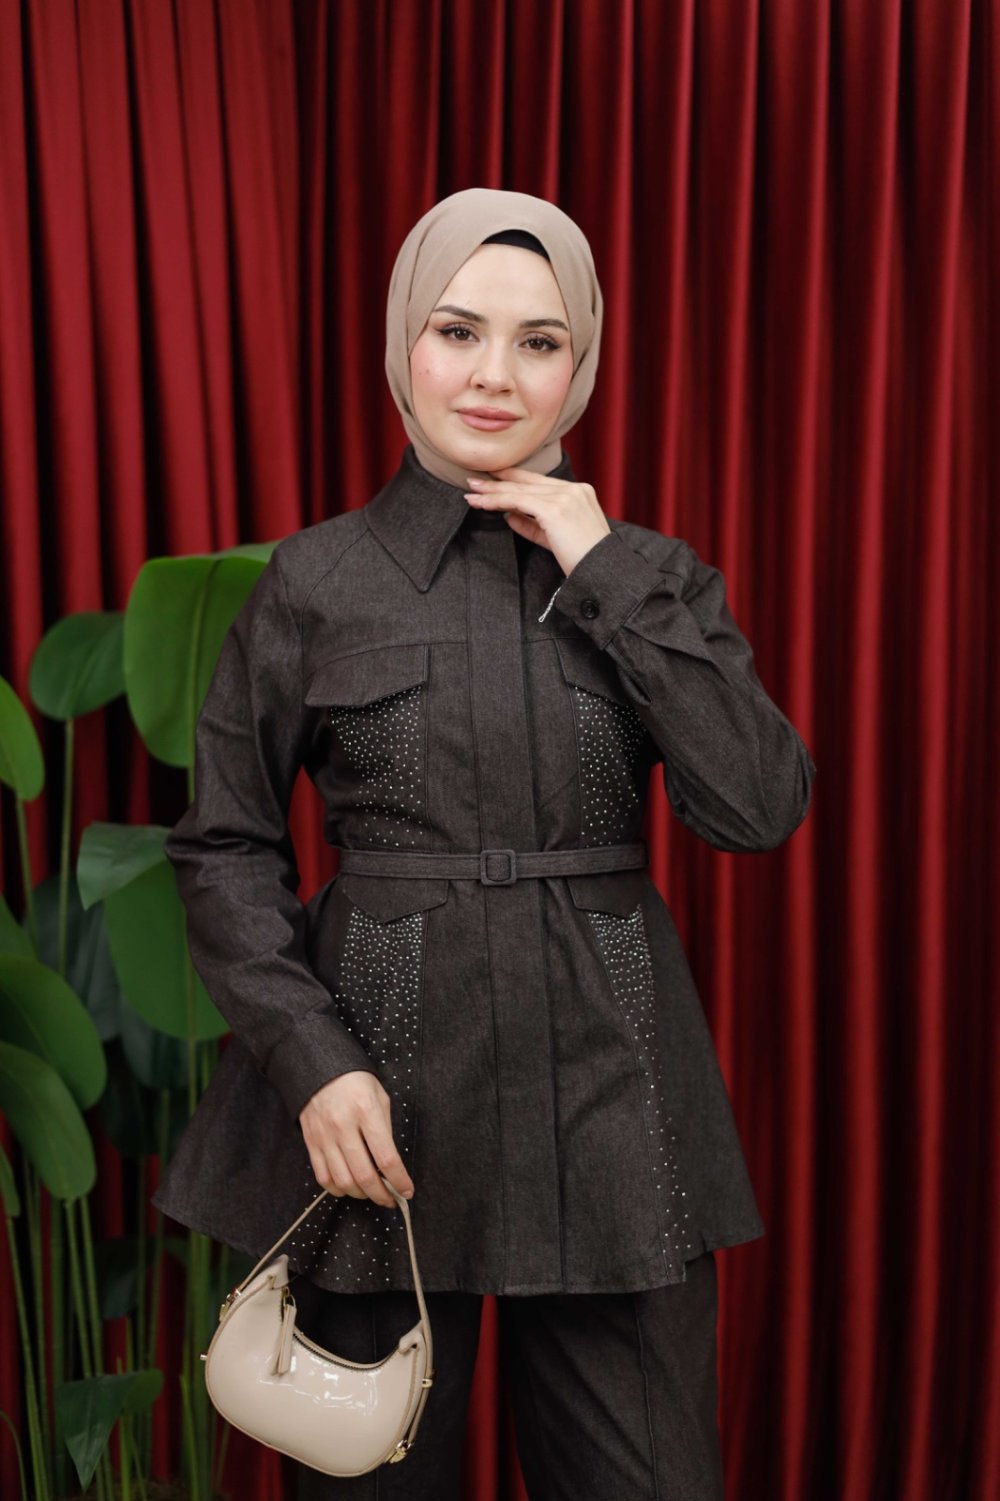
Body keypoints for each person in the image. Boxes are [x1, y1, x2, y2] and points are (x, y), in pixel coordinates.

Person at [153, 187, 817, 1500]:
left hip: (616, 1111)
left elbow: (758, 804)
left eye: (540, 341)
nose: (494, 376)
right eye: (458, 331)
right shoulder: (315, 581)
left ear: (584, 365)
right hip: (378, 1121)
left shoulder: (653, 574)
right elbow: (223, 844)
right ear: (406, 339)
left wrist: (600, 565)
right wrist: (312, 1063)